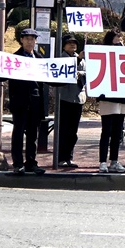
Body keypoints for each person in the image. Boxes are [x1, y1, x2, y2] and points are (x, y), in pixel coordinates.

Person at [3, 28, 47, 175]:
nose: (30, 41)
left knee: (33, 135)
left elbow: (48, 80)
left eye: (33, 38)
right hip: (20, 101)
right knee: (18, 133)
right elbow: (2, 76)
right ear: (21, 40)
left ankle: (31, 163)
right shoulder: (14, 58)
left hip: (35, 101)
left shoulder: (40, 58)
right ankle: (17, 164)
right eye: (27, 38)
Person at [98, 28, 125, 173]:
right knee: (107, 131)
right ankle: (102, 162)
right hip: (107, 97)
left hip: (122, 97)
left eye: (120, 38)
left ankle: (114, 161)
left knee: (117, 131)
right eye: (117, 37)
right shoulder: (103, 52)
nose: (119, 40)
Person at [57, 34, 86, 168]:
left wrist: (80, 73)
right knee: (63, 130)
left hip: (78, 99)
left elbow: (86, 74)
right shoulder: (61, 58)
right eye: (69, 43)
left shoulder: (80, 59)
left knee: (73, 132)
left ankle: (69, 157)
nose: (72, 45)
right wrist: (79, 63)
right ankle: (60, 157)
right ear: (64, 45)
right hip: (65, 98)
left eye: (74, 43)